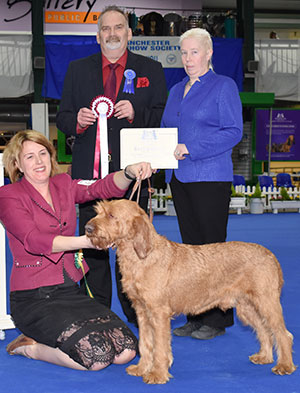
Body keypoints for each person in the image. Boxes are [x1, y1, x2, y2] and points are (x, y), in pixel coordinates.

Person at [0, 130, 154, 370]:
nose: (39, 161)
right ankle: (29, 348)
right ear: (17, 164)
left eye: (43, 153)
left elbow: (100, 189)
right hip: (33, 298)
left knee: (126, 350)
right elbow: (34, 241)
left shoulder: (63, 184)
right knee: (94, 359)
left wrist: (128, 173)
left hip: (70, 291)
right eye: (29, 157)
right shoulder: (8, 196)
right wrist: (86, 241)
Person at [56, 5, 167, 326]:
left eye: (119, 28)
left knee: (133, 244)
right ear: (98, 35)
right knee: (93, 242)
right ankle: (95, 310)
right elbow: (62, 117)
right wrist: (75, 121)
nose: (113, 34)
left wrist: (137, 114)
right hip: (89, 179)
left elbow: (161, 116)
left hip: (133, 176)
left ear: (129, 33)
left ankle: (137, 312)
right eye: (106, 29)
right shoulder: (77, 70)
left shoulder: (152, 69)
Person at [161, 28, 243, 340]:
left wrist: (192, 147)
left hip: (210, 176)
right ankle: (195, 315)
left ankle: (219, 319)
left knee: (213, 251)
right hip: (179, 178)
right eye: (183, 53)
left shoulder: (224, 86)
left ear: (209, 54)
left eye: (194, 52)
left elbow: (233, 131)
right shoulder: (176, 89)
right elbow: (167, 130)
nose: (188, 58)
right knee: (191, 252)